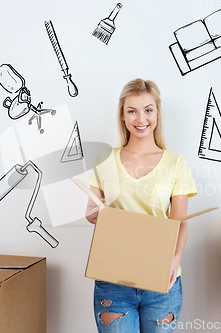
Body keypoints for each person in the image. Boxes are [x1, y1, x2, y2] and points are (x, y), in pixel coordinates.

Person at [85, 78, 197, 332]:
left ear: (157, 113)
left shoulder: (176, 163)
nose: (140, 118)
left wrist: (174, 260)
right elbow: (90, 213)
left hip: (161, 279)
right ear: (123, 116)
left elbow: (179, 222)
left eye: (148, 109)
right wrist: (95, 214)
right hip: (113, 277)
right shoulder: (104, 159)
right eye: (132, 111)